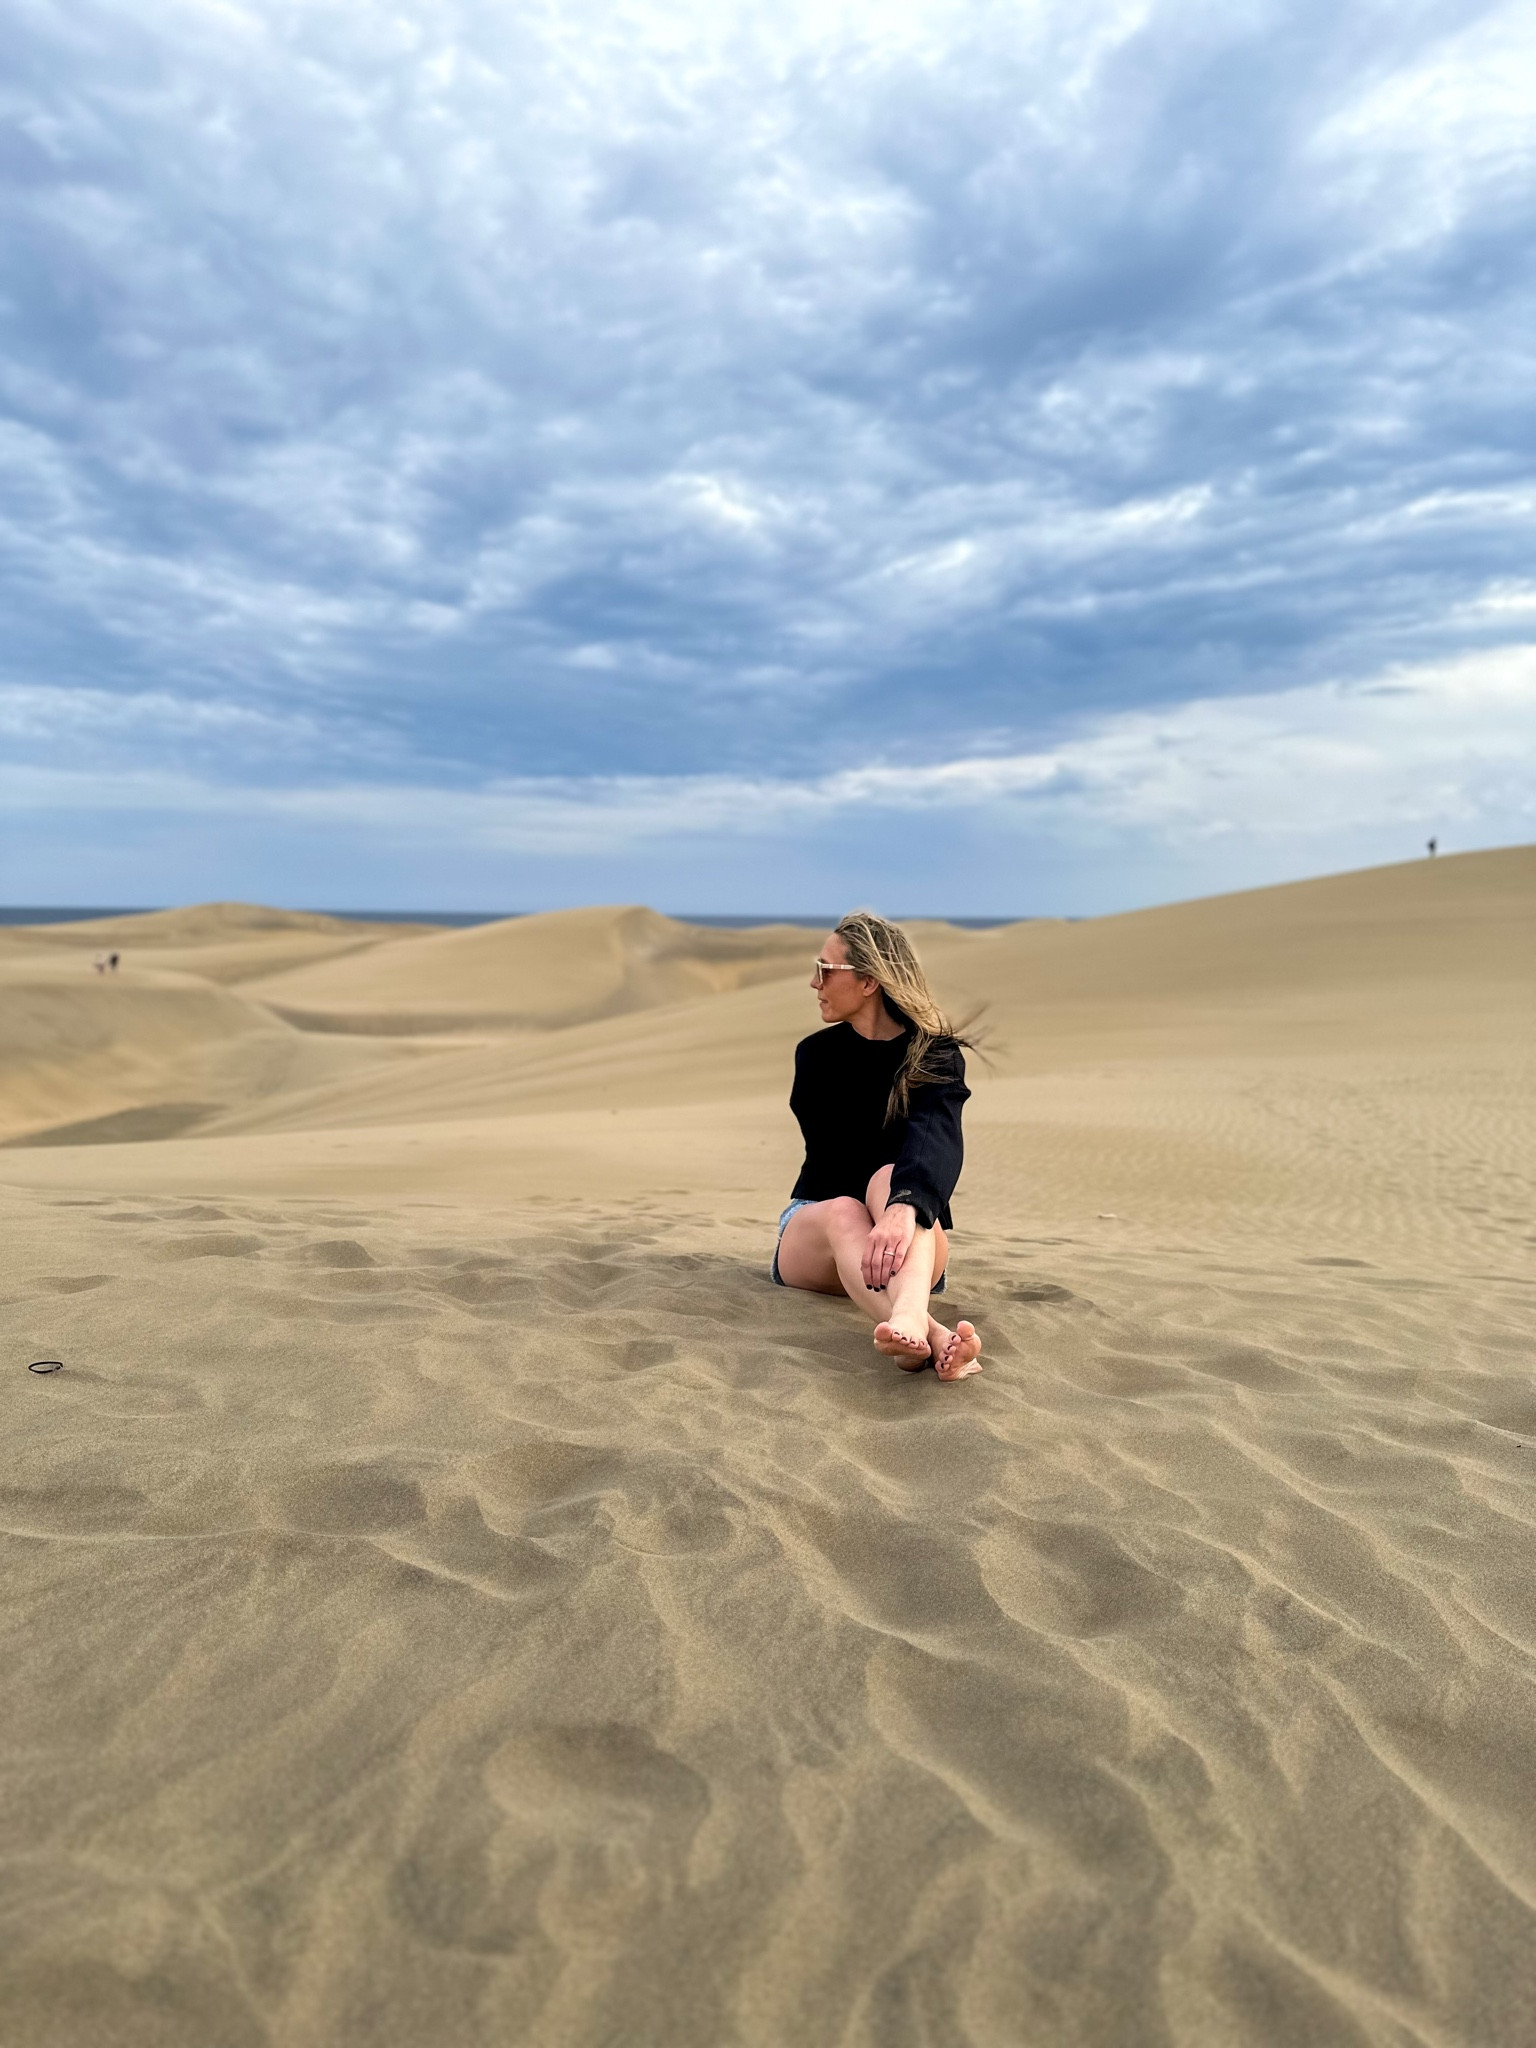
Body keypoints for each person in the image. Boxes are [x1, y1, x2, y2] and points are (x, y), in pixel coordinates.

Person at [772, 911, 983, 1382]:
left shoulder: (936, 1055)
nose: (814, 982)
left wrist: (905, 1205)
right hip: (821, 1233)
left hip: (908, 1235)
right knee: (850, 1204)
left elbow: (938, 1137)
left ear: (868, 981)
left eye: (825, 970)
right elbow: (837, 1161)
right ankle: (925, 1330)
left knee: (896, 1180)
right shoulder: (817, 1056)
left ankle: (908, 1330)